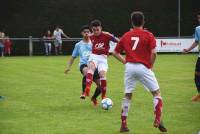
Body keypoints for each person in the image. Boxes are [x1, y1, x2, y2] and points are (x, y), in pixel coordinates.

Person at [112, 11, 167, 133]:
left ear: (132, 22)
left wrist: (125, 62)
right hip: (143, 67)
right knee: (156, 93)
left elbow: (114, 53)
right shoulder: (148, 35)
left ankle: (123, 124)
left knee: (128, 95)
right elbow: (154, 53)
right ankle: (158, 119)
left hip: (130, 67)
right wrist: (150, 66)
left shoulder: (126, 35)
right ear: (143, 21)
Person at [64, 25, 101, 105]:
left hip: (94, 66)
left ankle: (94, 98)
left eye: (88, 32)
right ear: (82, 33)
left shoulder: (94, 43)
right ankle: (84, 92)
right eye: (85, 32)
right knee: (87, 72)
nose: (87, 34)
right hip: (83, 65)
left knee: (101, 86)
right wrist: (68, 67)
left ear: (90, 33)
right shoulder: (78, 45)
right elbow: (73, 57)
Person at [84, 20, 119, 99]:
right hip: (94, 56)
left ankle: (103, 95)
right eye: (94, 30)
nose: (96, 32)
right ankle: (87, 88)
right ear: (92, 29)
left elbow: (118, 41)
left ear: (101, 28)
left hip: (103, 58)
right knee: (91, 68)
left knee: (102, 75)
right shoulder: (91, 36)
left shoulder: (107, 35)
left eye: (97, 30)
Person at [183, 12, 200, 101]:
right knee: (197, 76)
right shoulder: (197, 29)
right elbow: (197, 42)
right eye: (199, 18)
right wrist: (188, 49)